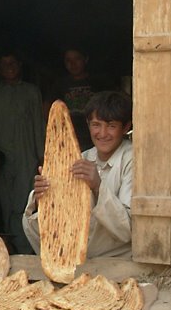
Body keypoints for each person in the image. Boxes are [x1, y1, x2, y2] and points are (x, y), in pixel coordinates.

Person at [22, 90, 133, 259]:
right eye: (96, 125)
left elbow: (127, 230)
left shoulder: (132, 160)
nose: (102, 133)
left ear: (126, 127)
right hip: (79, 257)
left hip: (117, 260)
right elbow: (60, 220)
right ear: (88, 125)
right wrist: (42, 198)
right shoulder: (81, 158)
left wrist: (98, 186)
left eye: (111, 126)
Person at [0, 50, 45, 254]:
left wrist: (42, 156)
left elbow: (38, 125)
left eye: (13, 63)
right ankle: (4, 251)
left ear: (19, 66)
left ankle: (26, 253)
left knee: (24, 203)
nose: (10, 67)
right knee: (3, 203)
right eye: (5, 64)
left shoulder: (31, 92)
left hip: (26, 157)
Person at [49, 46, 95, 149]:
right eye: (68, 60)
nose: (73, 64)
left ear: (85, 59)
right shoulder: (59, 85)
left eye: (77, 59)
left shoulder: (98, 82)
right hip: (68, 139)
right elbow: (48, 109)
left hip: (95, 137)